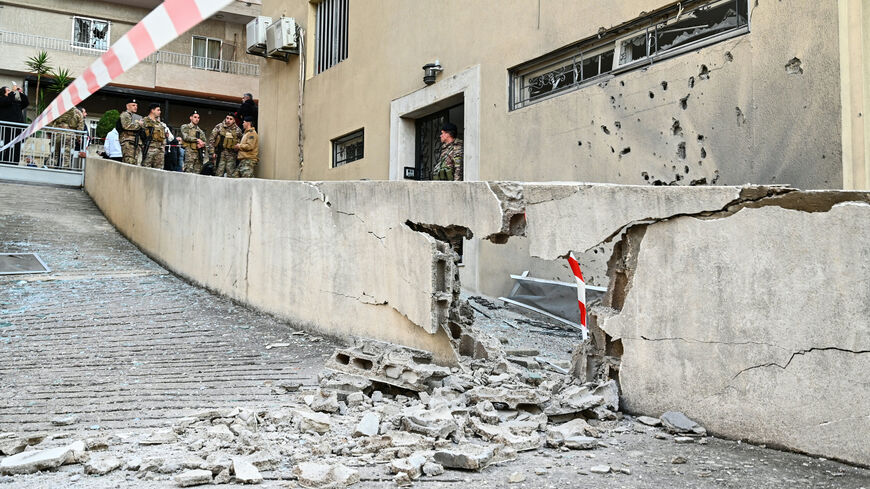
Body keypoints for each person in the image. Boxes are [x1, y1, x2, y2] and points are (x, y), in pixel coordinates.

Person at [0, 84, 30, 164]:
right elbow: (8, 101)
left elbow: (26, 103)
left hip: (17, 129)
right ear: (3, 93)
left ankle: (14, 163)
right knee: (6, 146)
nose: (10, 92)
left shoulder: (15, 102)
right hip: (7, 129)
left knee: (17, 147)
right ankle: (4, 162)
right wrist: (13, 91)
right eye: (8, 91)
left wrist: (21, 92)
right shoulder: (2, 100)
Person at [138, 103, 165, 169]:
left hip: (159, 150)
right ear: (152, 110)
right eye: (158, 110)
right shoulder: (144, 121)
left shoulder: (159, 124)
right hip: (149, 148)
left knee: (159, 170)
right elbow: (141, 135)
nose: (160, 112)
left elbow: (163, 137)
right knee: (146, 169)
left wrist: (163, 146)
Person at [118, 99, 143, 165]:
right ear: (127, 106)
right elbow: (126, 126)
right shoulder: (125, 115)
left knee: (134, 163)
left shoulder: (135, 117)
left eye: (136, 105)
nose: (135, 107)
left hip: (135, 142)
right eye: (133, 105)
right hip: (128, 142)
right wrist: (139, 125)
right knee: (129, 162)